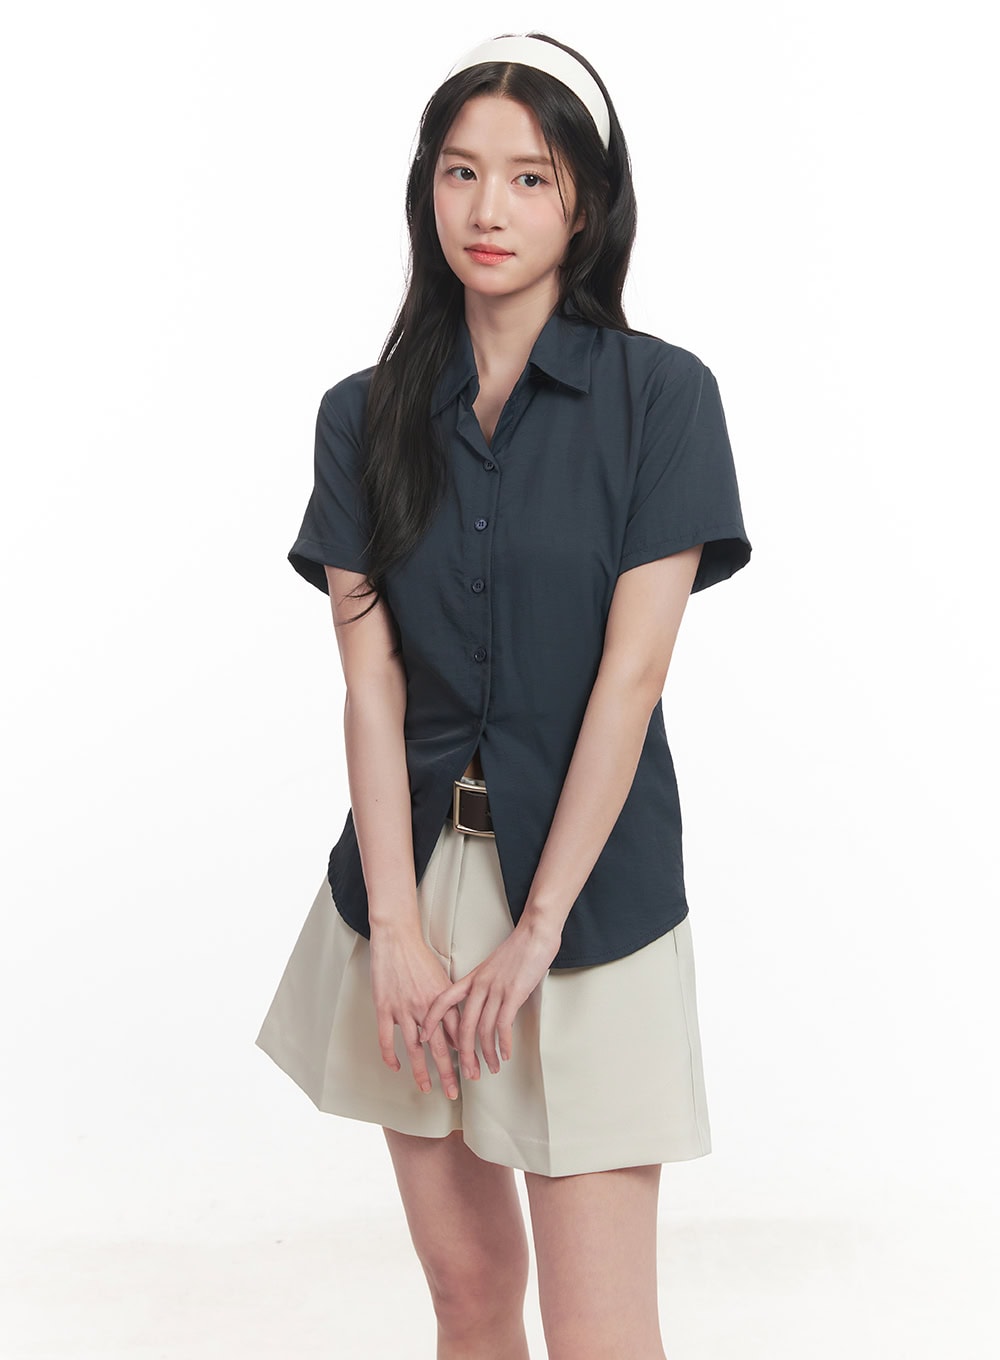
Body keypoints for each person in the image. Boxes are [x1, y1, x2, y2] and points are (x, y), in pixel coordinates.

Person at [256, 31, 752, 1360]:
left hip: (590, 901)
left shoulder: (662, 399)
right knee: (470, 1294)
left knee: (600, 1332)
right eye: (462, 171)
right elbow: (369, 684)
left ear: (585, 204)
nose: (489, 208)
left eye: (531, 178)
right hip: (408, 888)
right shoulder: (362, 415)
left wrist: (537, 934)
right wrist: (399, 933)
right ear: (427, 188)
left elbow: (631, 680)